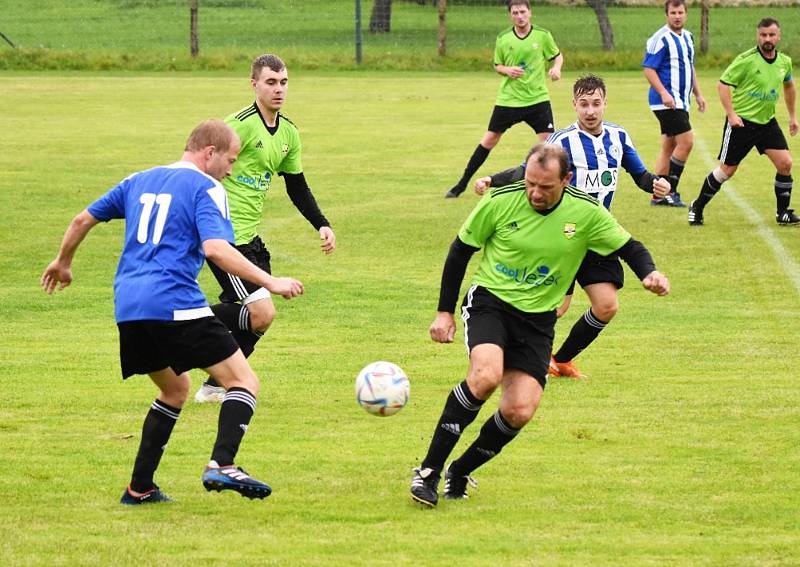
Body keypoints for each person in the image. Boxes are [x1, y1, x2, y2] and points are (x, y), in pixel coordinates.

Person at [41, 120, 305, 505]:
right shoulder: (207, 188)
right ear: (209, 152)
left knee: (175, 388)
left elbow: (83, 219)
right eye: (230, 160)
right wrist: (271, 281)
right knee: (243, 382)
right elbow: (216, 249)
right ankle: (223, 464)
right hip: (174, 301)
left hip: (129, 307)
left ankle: (139, 488)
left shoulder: (138, 179)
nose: (231, 169)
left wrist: (63, 262)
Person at [411, 144, 670, 508]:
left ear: (567, 179)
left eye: (545, 187)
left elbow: (630, 247)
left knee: (520, 409)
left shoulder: (586, 211)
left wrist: (650, 273)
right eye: (531, 183)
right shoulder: (501, 200)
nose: (535, 193)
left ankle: (460, 470)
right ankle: (428, 471)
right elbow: (460, 250)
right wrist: (444, 312)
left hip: (537, 322)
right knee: (485, 377)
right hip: (491, 304)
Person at [474, 75, 671, 379]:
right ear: (574, 105)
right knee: (554, 308)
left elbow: (640, 174)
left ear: (605, 103)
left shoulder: (618, 137)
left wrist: (655, 185)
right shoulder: (561, 142)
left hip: (596, 234)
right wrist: (491, 179)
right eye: (583, 104)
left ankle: (560, 360)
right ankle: (511, 356)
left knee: (606, 306)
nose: (590, 111)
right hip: (560, 236)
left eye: (595, 103)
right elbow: (527, 170)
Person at [195, 53, 336, 403]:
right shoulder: (238, 125)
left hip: (250, 239)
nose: (278, 89)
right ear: (254, 84)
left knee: (257, 319)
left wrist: (321, 223)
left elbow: (297, 185)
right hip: (222, 237)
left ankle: (214, 384)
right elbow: (200, 167)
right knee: (262, 310)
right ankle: (178, 320)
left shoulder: (288, 133)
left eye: (284, 82)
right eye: (271, 82)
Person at [443, 0, 563, 199]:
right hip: (509, 101)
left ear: (530, 12)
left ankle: (554, 185)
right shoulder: (503, 38)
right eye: (515, 13)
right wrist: (507, 70)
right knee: (489, 140)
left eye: (523, 12)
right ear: (510, 15)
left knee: (550, 146)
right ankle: (461, 185)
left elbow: (557, 56)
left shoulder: (543, 35)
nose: (520, 16)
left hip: (537, 100)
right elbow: (497, 65)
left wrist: (556, 68)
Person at [688, 18, 798, 226]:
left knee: (786, 163)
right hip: (742, 123)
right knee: (726, 171)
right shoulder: (746, 59)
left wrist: (793, 117)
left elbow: (789, 86)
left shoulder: (784, 62)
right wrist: (731, 114)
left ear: (778, 36)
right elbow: (723, 85)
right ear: (758, 36)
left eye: (771, 35)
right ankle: (698, 205)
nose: (767, 39)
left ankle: (782, 213)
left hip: (767, 123)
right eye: (763, 35)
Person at [642, 0, 706, 207]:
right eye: (673, 12)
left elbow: (689, 67)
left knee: (668, 147)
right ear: (666, 14)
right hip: (666, 103)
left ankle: (659, 194)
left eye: (680, 12)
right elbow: (649, 69)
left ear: (686, 14)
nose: (677, 16)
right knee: (686, 142)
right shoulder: (660, 39)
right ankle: (671, 192)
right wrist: (663, 93)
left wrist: (698, 94)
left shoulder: (688, 37)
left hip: (681, 101)